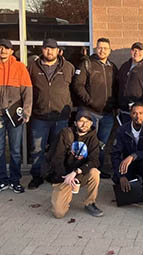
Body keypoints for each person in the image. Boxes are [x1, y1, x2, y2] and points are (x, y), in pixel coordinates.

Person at [27, 38, 75, 190]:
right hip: (39, 116)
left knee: (59, 149)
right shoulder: (33, 67)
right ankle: (37, 176)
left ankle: (56, 174)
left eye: (52, 49)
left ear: (58, 51)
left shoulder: (68, 67)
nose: (49, 51)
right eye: (46, 48)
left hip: (60, 117)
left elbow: (75, 89)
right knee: (37, 149)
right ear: (42, 50)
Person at [72, 37, 118, 178]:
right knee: (85, 143)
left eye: (105, 48)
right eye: (99, 47)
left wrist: (114, 104)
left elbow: (116, 88)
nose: (102, 50)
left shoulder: (112, 67)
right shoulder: (87, 64)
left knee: (101, 144)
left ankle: (97, 169)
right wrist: (90, 101)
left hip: (107, 114)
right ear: (95, 48)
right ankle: (80, 171)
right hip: (89, 112)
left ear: (109, 51)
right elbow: (77, 85)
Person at [49, 110, 103, 218]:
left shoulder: (93, 137)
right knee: (58, 213)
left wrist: (77, 172)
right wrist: (66, 177)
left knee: (95, 172)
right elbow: (57, 159)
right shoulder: (66, 134)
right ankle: (64, 197)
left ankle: (90, 202)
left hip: (78, 174)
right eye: (81, 121)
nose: (84, 124)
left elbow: (94, 160)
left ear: (92, 123)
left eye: (88, 121)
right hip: (64, 175)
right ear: (75, 123)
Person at [0, 39, 32, 194]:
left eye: (6, 48)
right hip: (0, 115)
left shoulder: (20, 67)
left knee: (15, 150)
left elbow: (27, 91)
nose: (3, 51)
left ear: (12, 51)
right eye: (1, 48)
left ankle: (15, 181)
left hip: (14, 115)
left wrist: (26, 111)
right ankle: (2, 180)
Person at [111, 102, 143, 206]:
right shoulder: (122, 130)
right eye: (134, 113)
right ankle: (132, 190)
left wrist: (133, 156)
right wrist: (121, 176)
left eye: (141, 113)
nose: (138, 116)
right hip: (129, 163)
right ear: (130, 114)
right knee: (116, 178)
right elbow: (115, 154)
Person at [117, 42, 143, 124]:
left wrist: (142, 105)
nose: (137, 53)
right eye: (134, 50)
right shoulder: (125, 66)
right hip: (125, 112)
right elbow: (118, 85)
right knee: (127, 135)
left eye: (140, 50)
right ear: (131, 52)